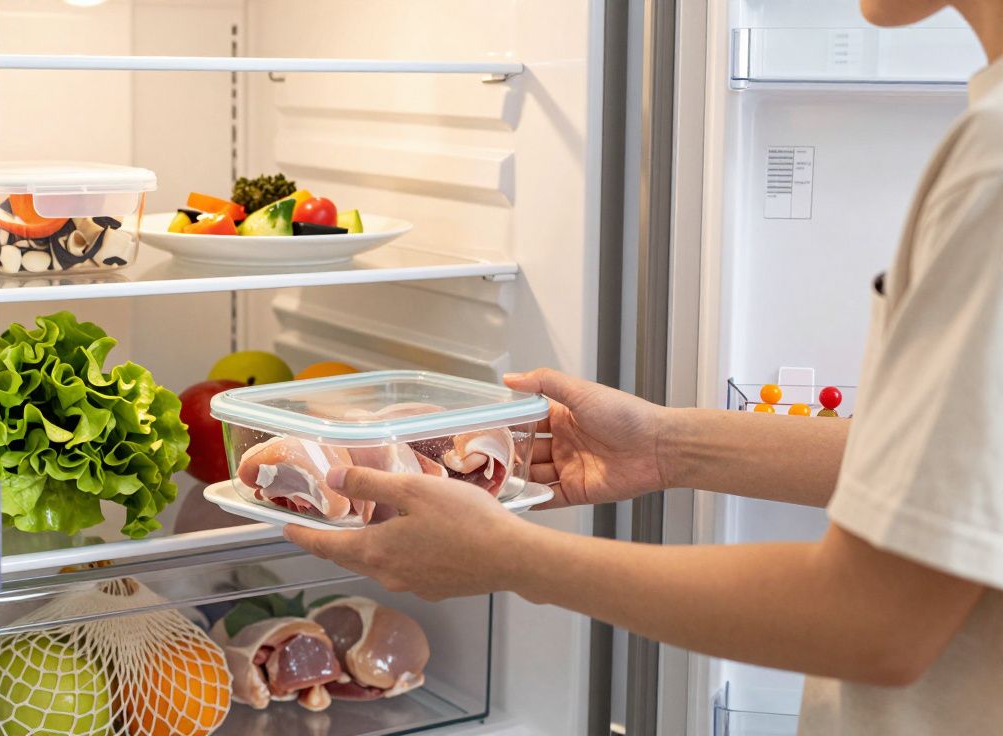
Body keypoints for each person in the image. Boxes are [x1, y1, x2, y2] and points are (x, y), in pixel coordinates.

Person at [284, 1, 1003, 732]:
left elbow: (876, 621)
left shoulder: (992, 162)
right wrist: (665, 446)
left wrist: (513, 558)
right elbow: (964, 469)